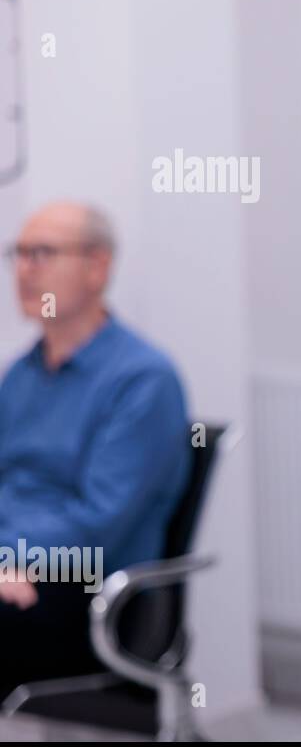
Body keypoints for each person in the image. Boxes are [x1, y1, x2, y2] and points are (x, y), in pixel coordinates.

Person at [0, 202, 190, 702]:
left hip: (84, 588)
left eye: (41, 253)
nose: (23, 269)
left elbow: (97, 524)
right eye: (17, 254)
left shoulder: (143, 381)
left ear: (97, 266)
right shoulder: (20, 378)